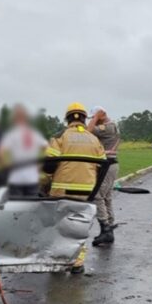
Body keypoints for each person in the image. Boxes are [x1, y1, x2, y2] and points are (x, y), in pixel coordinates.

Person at [45, 102, 105, 273]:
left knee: (59, 225)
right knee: (80, 225)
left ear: (67, 119)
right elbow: (101, 166)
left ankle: (58, 260)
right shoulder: (94, 139)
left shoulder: (60, 136)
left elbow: (49, 165)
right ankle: (77, 262)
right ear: (84, 119)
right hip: (87, 191)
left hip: (61, 191)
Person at [0, 105, 48, 197]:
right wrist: (39, 166)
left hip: (16, 178)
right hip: (32, 178)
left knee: (16, 208)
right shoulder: (34, 133)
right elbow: (46, 148)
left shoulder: (12, 134)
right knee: (31, 208)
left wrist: (6, 168)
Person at [87, 106, 121, 246]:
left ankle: (106, 228)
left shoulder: (106, 127)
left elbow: (88, 131)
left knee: (97, 196)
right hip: (111, 165)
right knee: (106, 197)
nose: (93, 121)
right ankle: (108, 230)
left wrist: (95, 118)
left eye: (94, 117)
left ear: (102, 115)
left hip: (107, 165)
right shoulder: (113, 126)